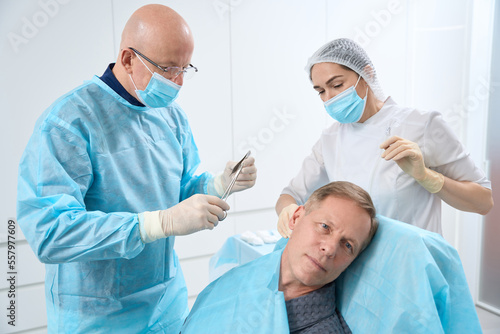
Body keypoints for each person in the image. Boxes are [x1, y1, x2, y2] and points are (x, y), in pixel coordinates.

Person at [16, 4, 256, 333]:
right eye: (169, 68)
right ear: (128, 59)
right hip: (96, 316)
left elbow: (181, 190)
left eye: (186, 68)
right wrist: (153, 224)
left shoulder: (170, 116)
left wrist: (217, 185)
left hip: (165, 305)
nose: (179, 81)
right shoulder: (68, 123)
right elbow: (50, 232)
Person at [276, 38, 493, 237]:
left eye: (337, 85)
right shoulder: (330, 139)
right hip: (358, 270)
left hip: (413, 268)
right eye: (321, 91)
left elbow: (483, 201)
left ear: (366, 74)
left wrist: (426, 177)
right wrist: (287, 210)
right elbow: (291, 194)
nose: (330, 98)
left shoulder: (422, 125)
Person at [180, 181, 378, 333]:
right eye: (325, 227)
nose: (330, 248)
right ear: (295, 217)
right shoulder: (241, 278)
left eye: (348, 245)